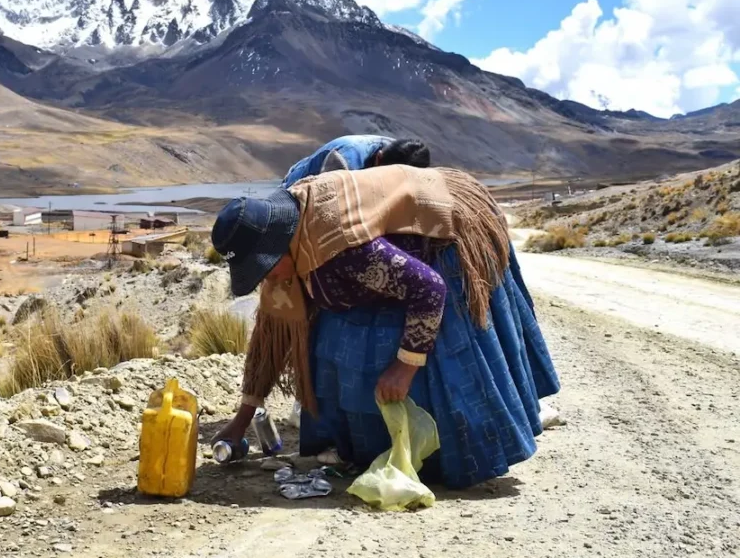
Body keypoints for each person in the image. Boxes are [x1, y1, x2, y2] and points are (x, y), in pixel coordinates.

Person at [211, 164, 560, 489]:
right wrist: (243, 418)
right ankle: (363, 445)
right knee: (334, 341)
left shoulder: (339, 247)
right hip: (378, 260)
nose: (266, 280)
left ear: (280, 246)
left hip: (449, 230)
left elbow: (429, 288)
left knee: (438, 359)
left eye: (267, 270)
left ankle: (460, 452)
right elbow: (270, 336)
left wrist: (405, 366)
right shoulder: (287, 239)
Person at [282, 135, 560, 441]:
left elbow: (427, 287)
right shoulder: (338, 178)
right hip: (311, 227)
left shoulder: (397, 177)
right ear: (378, 165)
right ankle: (313, 402)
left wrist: (407, 363)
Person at [281, 135, 430, 186]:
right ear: (378, 158)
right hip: (296, 187)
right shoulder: (345, 161)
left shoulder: (405, 157)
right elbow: (323, 202)